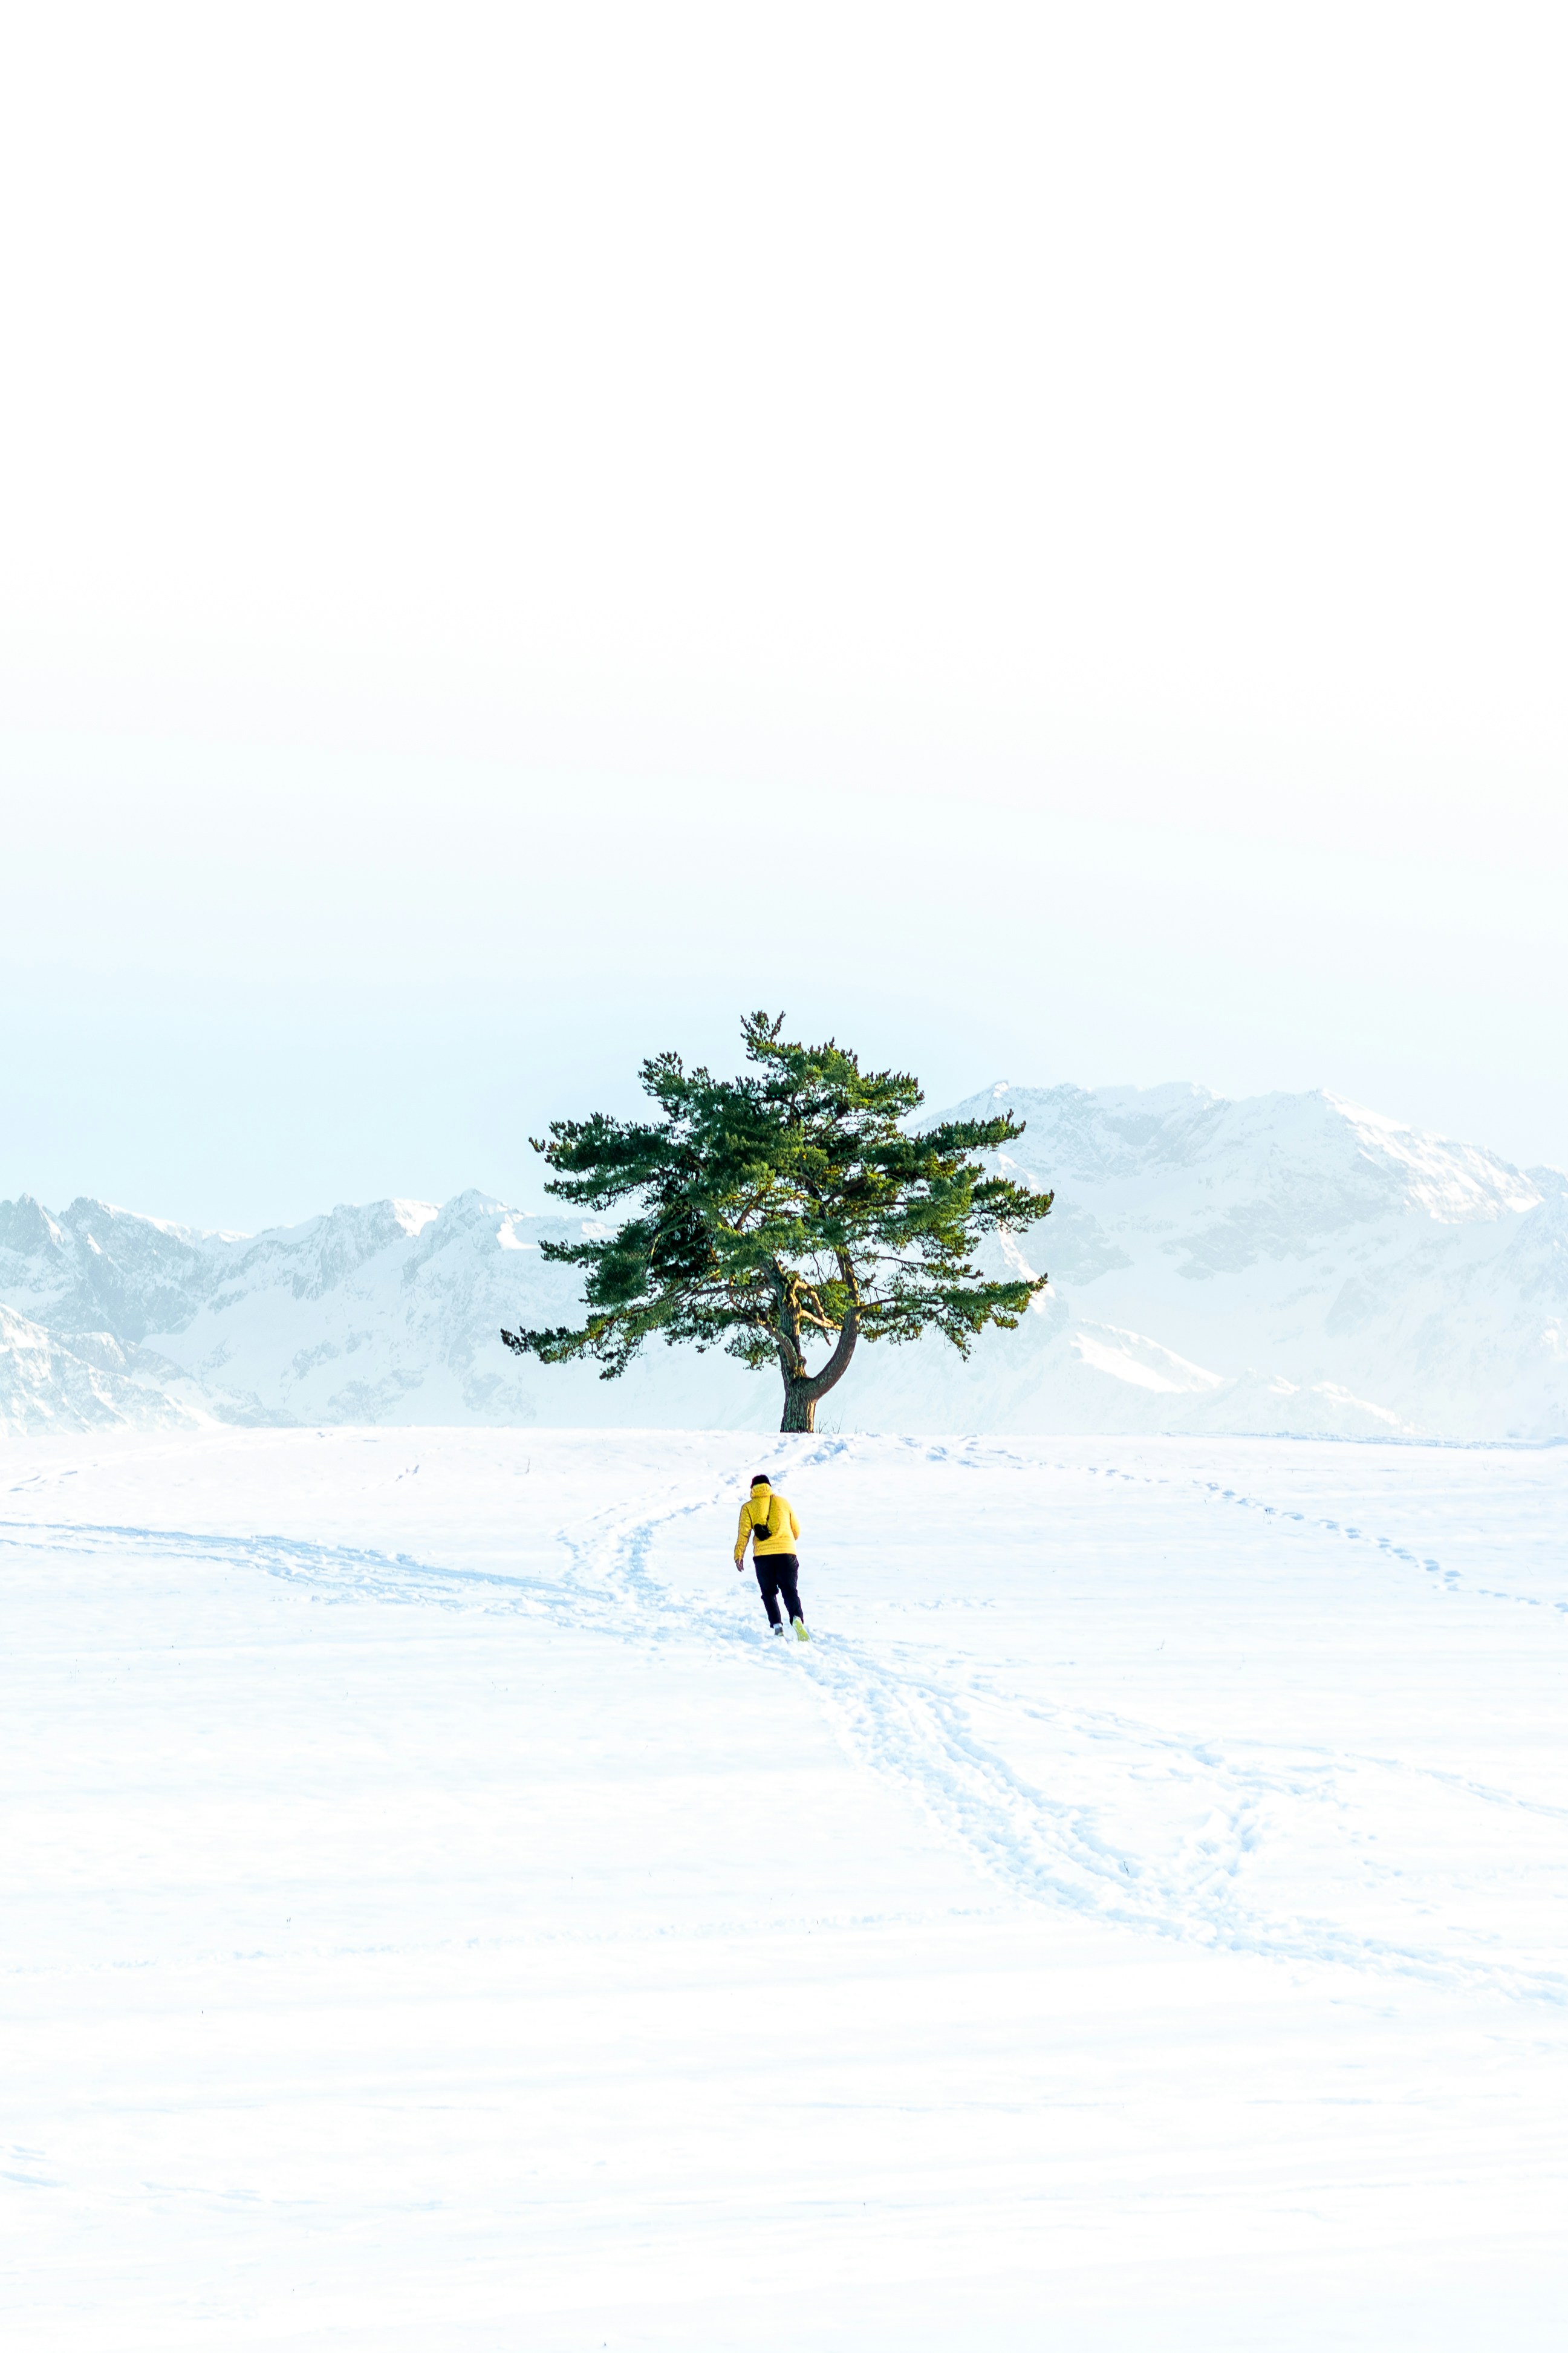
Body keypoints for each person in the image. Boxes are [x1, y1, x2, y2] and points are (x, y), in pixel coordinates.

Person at [734, 1473, 808, 1639]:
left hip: (763, 1557)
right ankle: (797, 1619)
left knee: (768, 1593)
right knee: (790, 1591)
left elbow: (743, 1534)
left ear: (752, 1489)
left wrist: (739, 1555)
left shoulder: (748, 1507)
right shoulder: (783, 1502)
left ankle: (777, 1627)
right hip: (787, 1554)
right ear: (769, 1486)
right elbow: (797, 1531)